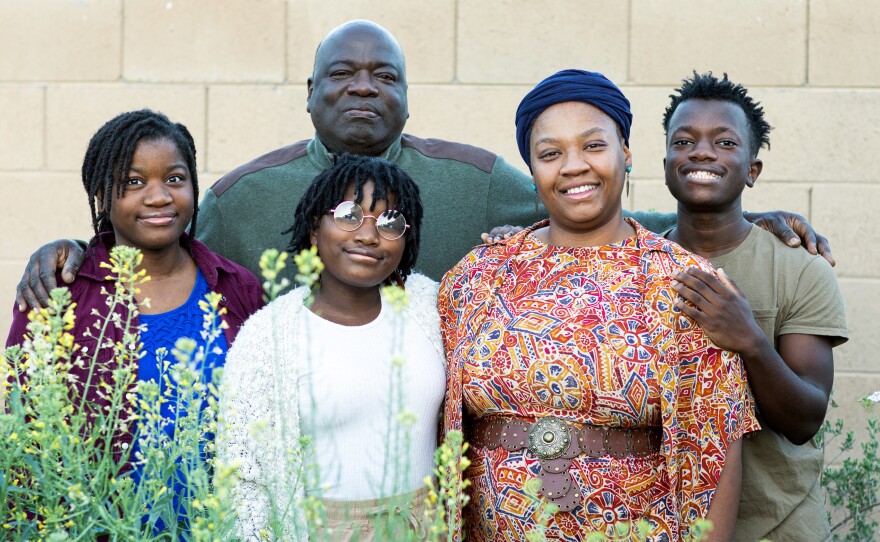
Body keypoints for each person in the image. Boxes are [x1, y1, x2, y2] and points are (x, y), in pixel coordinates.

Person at [16, 20, 832, 310]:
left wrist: (724, 223)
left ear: (408, 96)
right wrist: (62, 253)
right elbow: (153, 246)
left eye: (385, 77)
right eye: (343, 75)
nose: (364, 87)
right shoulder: (241, 194)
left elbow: (589, 213)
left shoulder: (471, 180)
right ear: (310, 94)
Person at [439, 70, 760, 541]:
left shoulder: (684, 283)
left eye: (593, 146)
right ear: (532, 171)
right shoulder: (477, 277)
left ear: (625, 155)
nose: (573, 166)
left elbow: (717, 444)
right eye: (550, 153)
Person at [4, 109, 264, 521]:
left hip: (219, 525)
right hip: (96, 526)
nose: (159, 196)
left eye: (175, 179)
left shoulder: (237, 287)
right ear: (103, 197)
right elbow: (23, 429)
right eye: (133, 182)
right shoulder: (58, 291)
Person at [660, 72, 848, 542]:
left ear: (752, 170)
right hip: (661, 527)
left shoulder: (801, 269)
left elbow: (804, 419)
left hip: (778, 528)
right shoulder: (637, 266)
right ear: (665, 161)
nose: (702, 152)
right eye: (684, 141)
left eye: (725, 142)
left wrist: (749, 340)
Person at [218, 154, 445, 541]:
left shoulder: (430, 305)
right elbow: (243, 479)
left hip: (427, 526)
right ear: (313, 229)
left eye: (391, 222)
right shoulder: (268, 336)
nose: (368, 236)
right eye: (348, 215)